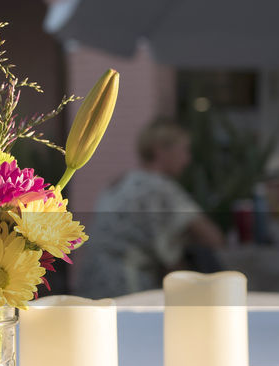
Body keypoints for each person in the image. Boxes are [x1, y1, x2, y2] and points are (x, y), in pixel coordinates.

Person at [77, 118, 225, 298]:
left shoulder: (120, 182)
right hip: (125, 286)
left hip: (89, 281)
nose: (188, 159)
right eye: (184, 150)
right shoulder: (159, 188)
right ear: (160, 150)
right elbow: (212, 237)